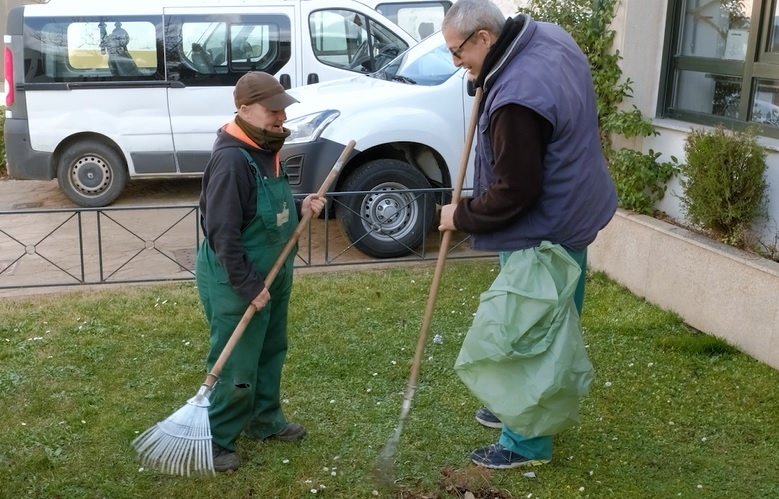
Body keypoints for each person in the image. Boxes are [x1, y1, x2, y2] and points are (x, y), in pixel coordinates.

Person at [438, 0, 618, 469]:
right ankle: (509, 404)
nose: (457, 65)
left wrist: (461, 216)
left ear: (484, 39)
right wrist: (485, 77)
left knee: (532, 333)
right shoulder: (546, 36)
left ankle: (526, 442)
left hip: (546, 229)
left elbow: (516, 190)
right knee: (539, 320)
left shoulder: (518, 97)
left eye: (459, 53)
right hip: (572, 207)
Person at [195, 71, 326, 473]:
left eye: (282, 109)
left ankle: (264, 421)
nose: (280, 117)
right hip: (237, 277)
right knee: (237, 360)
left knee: (270, 349)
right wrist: (249, 285)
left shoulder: (264, 146)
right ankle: (217, 439)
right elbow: (221, 233)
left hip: (274, 269)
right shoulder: (231, 160)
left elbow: (267, 206)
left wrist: (302, 205)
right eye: (272, 110)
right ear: (244, 109)